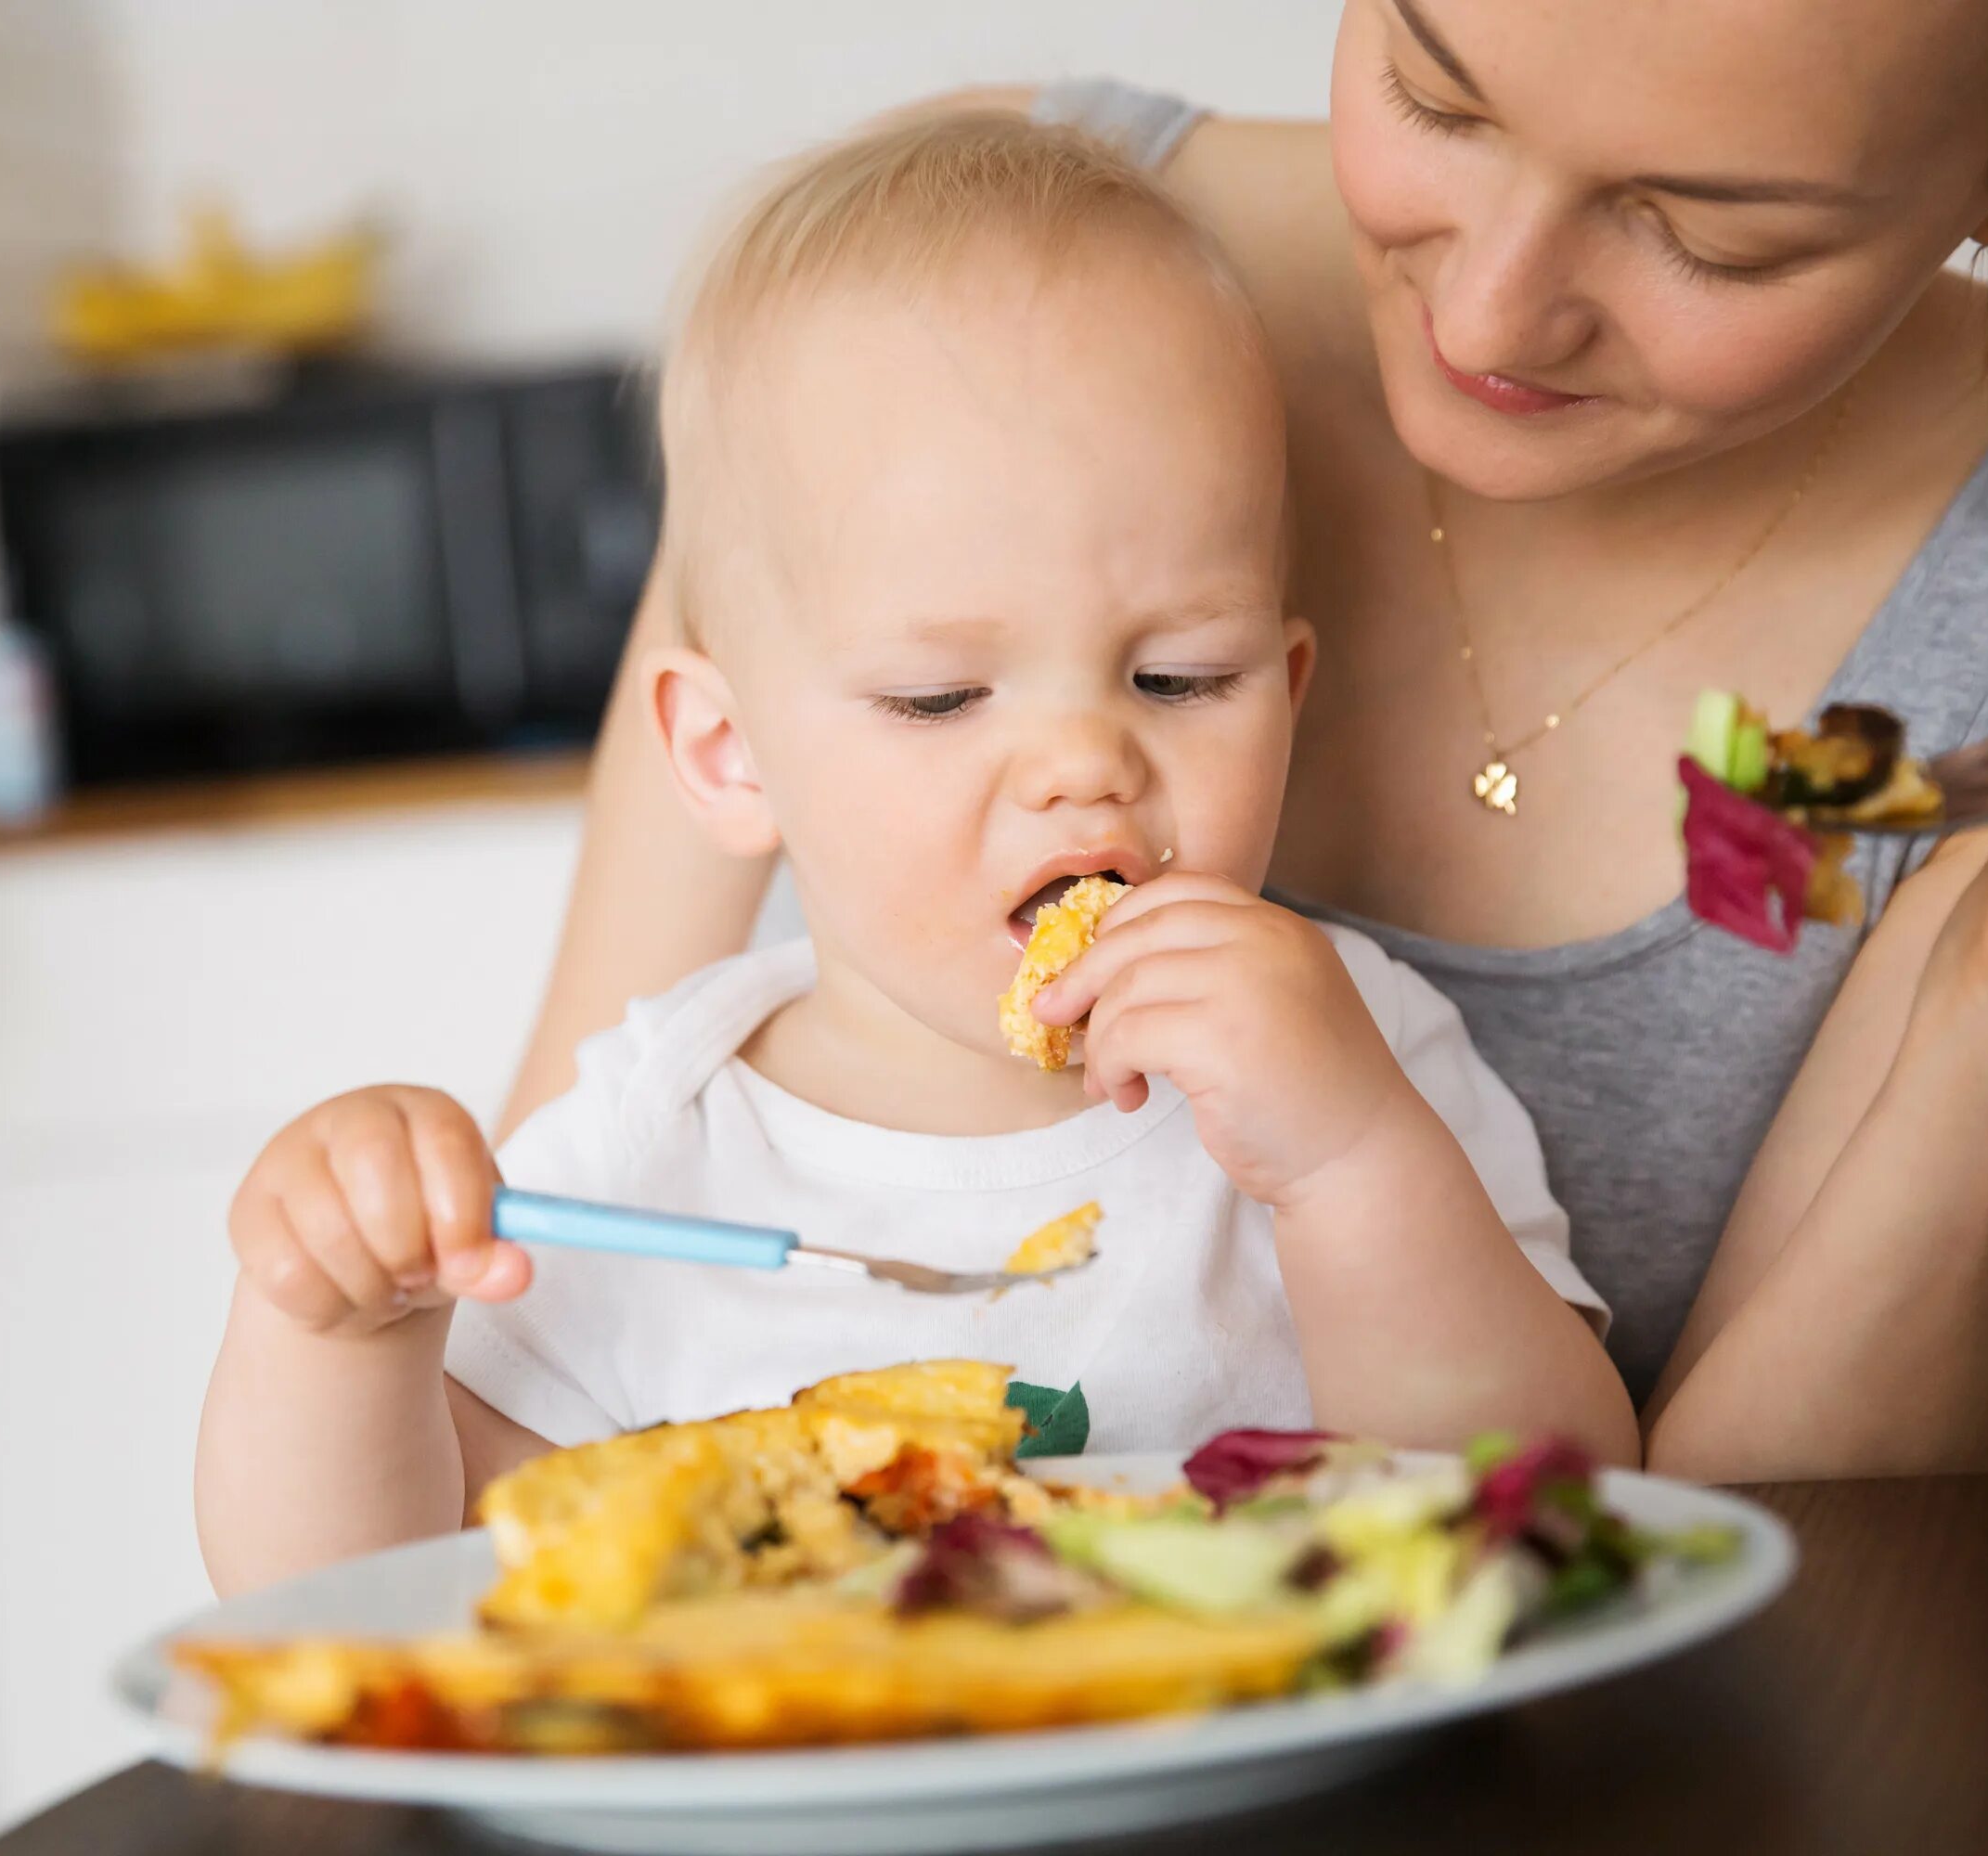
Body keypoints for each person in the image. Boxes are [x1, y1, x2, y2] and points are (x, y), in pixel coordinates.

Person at [503, 2, 1988, 1486]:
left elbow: (1725, 1582)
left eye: (1713, 235)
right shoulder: (933, 279)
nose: (1495, 313)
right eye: (1438, 93)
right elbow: (515, 1317)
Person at [195, 116, 1636, 1595]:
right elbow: (365, 1590)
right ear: (728, 754)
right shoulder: (660, 1141)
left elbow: (1567, 1510)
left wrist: (1350, 1165)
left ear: (1292, 694)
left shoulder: (1354, 1050)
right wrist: (338, 1337)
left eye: (1181, 679)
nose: (1086, 762)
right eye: (942, 698)